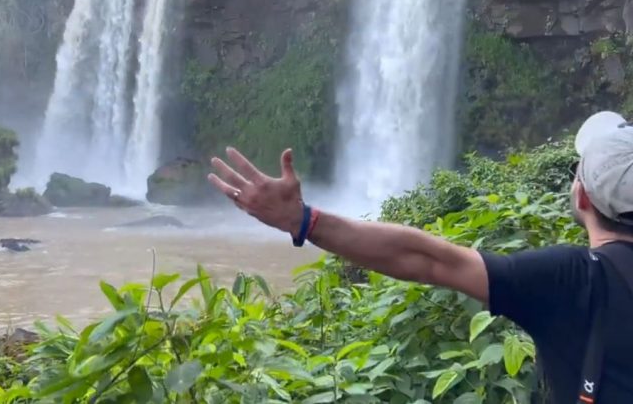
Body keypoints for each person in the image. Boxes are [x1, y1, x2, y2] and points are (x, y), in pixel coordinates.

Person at [207, 111, 633, 404]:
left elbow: (427, 259)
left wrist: (301, 220)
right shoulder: (571, 277)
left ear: (581, 196)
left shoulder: (570, 280)